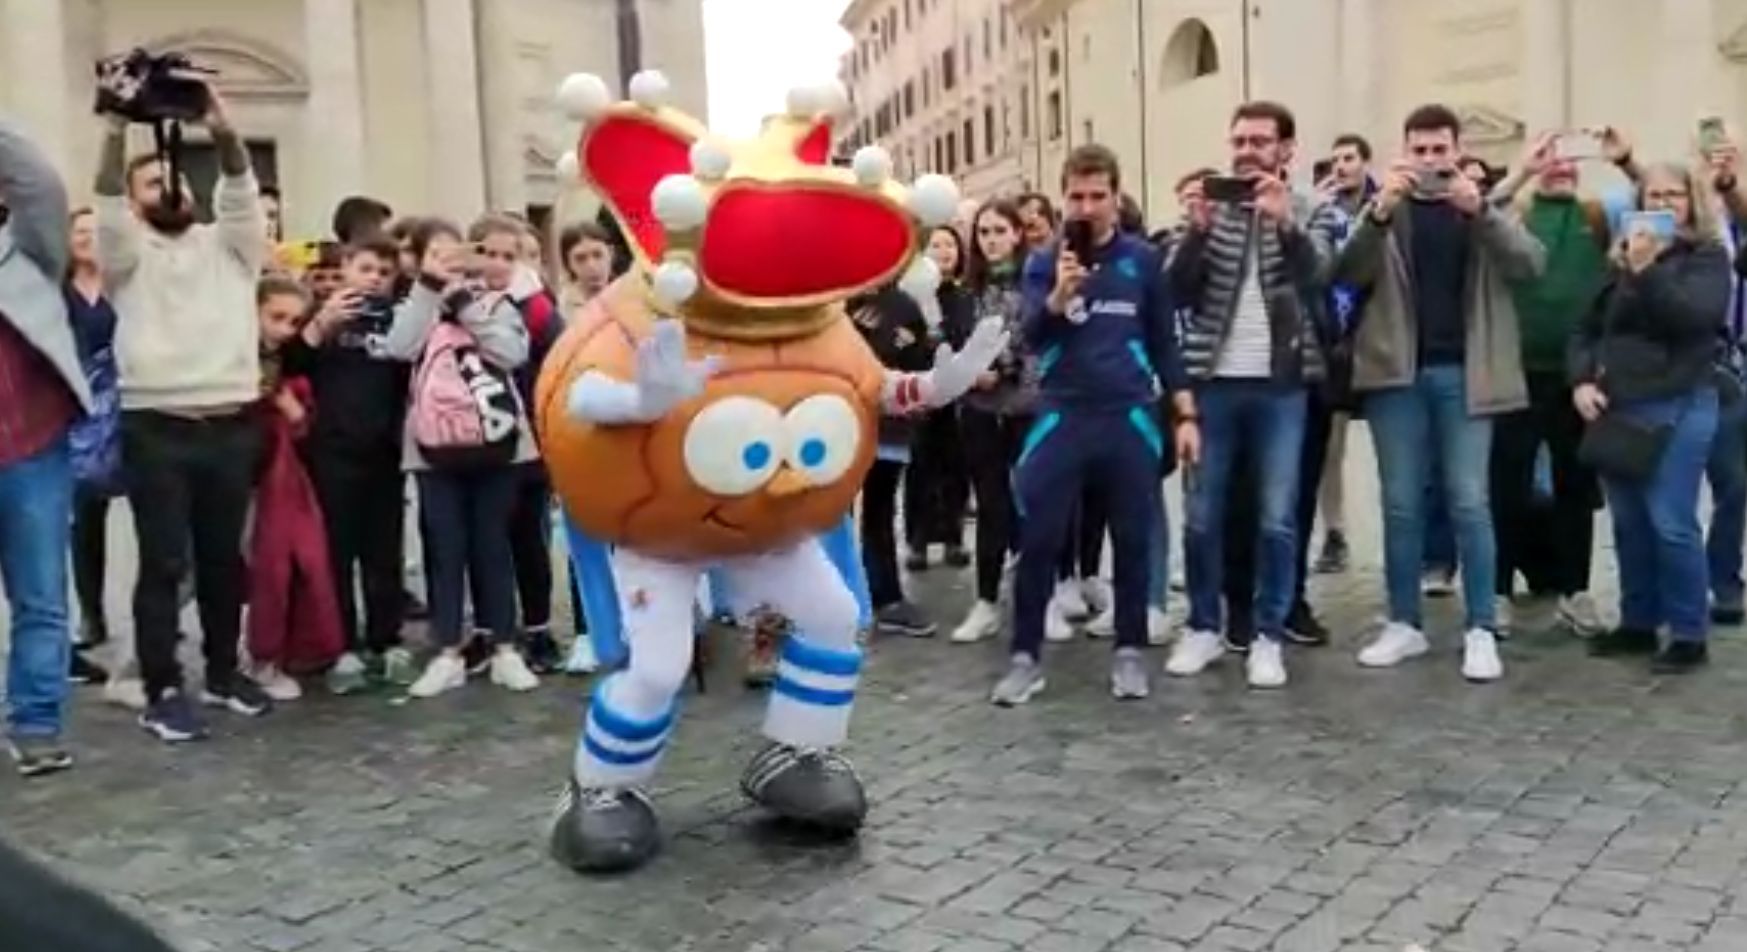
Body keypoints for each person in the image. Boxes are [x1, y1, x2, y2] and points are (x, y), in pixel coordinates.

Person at [540, 70, 1002, 873]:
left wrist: (937, 386)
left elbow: (873, 388)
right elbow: (574, 398)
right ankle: (601, 788)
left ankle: (795, 753)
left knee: (831, 617)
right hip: (660, 533)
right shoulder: (641, 317)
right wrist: (640, 400)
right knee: (657, 665)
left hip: (771, 524)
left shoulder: (820, 326)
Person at [1333, 104, 1543, 683]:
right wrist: (1379, 212)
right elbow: (1344, 272)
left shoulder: (1481, 204)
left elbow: (1530, 265)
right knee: (1400, 503)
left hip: (1467, 374)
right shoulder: (1386, 209)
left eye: (1438, 150)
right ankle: (1404, 621)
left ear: (1457, 150)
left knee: (1470, 501)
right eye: (1419, 151)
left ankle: (1481, 627)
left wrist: (1482, 213)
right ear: (1404, 152)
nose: (1429, 161)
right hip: (1395, 374)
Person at [95, 78, 275, 742]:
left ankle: (225, 673)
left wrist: (222, 127)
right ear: (135, 203)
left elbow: (240, 187)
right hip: (157, 426)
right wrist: (116, 127)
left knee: (225, 559)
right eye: (150, 183)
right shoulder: (125, 256)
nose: (167, 187)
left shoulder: (232, 248)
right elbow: (105, 201)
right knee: (164, 562)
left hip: (230, 421)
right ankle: (162, 687)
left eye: (174, 179)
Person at [994, 144, 1198, 706]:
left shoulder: (1143, 261)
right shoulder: (1044, 261)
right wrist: (1059, 297)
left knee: (1132, 537)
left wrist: (1185, 413)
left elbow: (1164, 342)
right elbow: (1029, 337)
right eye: (1076, 196)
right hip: (1062, 413)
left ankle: (1129, 651)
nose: (1086, 207)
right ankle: (1025, 657)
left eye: (1097, 196)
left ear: (1116, 196)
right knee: (1039, 537)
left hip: (1128, 414)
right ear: (1063, 199)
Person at [1162, 101, 1344, 689]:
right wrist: (1196, 231)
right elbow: (1174, 291)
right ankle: (1204, 626)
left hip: (1282, 385)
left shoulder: (1311, 208)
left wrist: (1285, 223)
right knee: (1202, 513)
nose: (1246, 151)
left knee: (1277, 517)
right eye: (1238, 140)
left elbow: (1323, 276)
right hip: (1213, 383)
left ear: (1286, 149)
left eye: (1259, 141)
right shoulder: (1211, 208)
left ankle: (1268, 634)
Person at [1574, 162, 1731, 672]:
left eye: (1674, 195)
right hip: (1622, 403)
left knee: (1671, 520)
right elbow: (1586, 329)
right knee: (1629, 521)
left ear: (1692, 202)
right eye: (1654, 195)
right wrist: (1581, 380)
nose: (1664, 203)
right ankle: (1639, 621)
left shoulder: (1707, 258)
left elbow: (1692, 319)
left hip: (1681, 399)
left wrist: (1648, 271)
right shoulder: (1618, 261)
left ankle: (1688, 632)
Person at [380, 218, 541, 699]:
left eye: (457, 253)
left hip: (497, 444)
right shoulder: (415, 305)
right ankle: (447, 649)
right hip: (434, 448)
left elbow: (511, 353)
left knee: (493, 543)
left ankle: (504, 646)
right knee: (444, 547)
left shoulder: (494, 303)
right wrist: (429, 292)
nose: (449, 262)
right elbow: (399, 348)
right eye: (437, 254)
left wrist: (466, 306)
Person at [1485, 132, 1613, 635]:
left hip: (1575, 377)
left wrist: (1625, 159)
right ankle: (1496, 590)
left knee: (1575, 485)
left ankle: (1575, 591)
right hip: (1514, 372)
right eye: (1550, 162)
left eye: (1568, 162)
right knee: (1507, 485)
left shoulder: (1597, 216)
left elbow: (1660, 205)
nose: (1561, 169)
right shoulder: (1515, 213)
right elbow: (1474, 211)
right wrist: (1521, 170)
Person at [281, 238, 416, 694]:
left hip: (384, 453)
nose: (374, 278)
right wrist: (321, 326)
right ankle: (341, 645)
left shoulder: (397, 319)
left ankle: (387, 639)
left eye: (384, 271)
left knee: (384, 552)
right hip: (331, 452)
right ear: (346, 269)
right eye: (366, 268)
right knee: (335, 553)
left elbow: (409, 377)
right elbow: (289, 364)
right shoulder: (321, 317)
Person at [0, 116, 89, 776]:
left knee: (42, 596)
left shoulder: (27, 252)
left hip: (30, 448)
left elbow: (40, 182)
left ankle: (35, 724)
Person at [950, 200, 1038, 644]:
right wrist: (967, 371)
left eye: (1000, 231)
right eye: (983, 232)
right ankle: (985, 601)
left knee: (1033, 502)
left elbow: (1033, 337)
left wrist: (1000, 371)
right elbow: (953, 341)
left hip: (1026, 406)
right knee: (990, 505)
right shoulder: (968, 290)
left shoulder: (1035, 281)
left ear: (1017, 234)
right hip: (979, 410)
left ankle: (1038, 596)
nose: (991, 240)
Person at [64, 207, 120, 685]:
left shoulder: (124, 286)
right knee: (86, 516)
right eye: (79, 232)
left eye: (93, 231)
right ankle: (92, 613)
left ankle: (158, 608)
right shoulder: (57, 292)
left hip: (129, 405)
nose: (87, 239)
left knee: (152, 510)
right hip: (80, 410)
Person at [902, 224, 972, 578]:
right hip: (920, 392)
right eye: (936, 245)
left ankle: (953, 536)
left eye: (950, 245)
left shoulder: (964, 296)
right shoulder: (911, 297)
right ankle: (917, 540)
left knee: (956, 467)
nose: (944, 251)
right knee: (920, 468)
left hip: (957, 394)